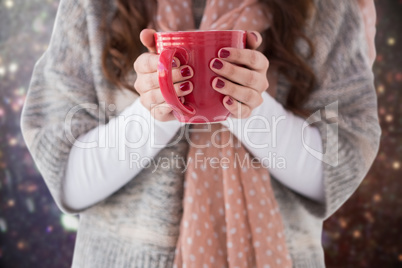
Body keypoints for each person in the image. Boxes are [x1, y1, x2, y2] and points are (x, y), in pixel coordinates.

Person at [20, 0, 380, 267]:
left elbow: (340, 162)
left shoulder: (327, 7)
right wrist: (155, 113)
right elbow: (66, 173)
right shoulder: (93, 6)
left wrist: (248, 108)